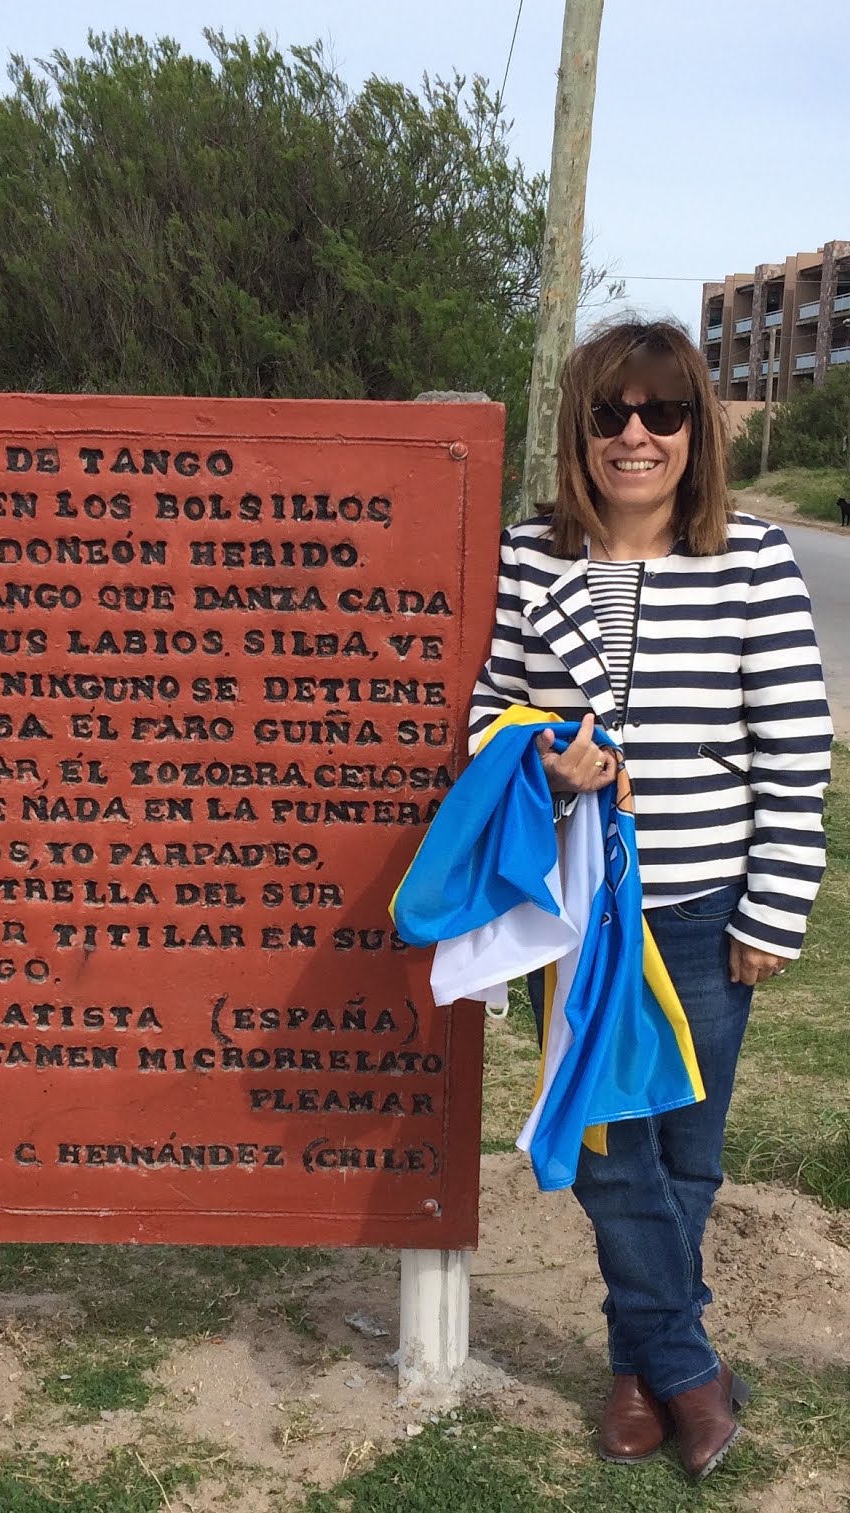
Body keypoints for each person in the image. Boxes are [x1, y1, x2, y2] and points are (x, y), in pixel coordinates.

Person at [468, 318, 833, 1482]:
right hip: (577, 920)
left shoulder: (754, 561)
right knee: (609, 1146)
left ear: (694, 432)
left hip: (701, 908)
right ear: (578, 428)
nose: (635, 434)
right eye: (609, 412)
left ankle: (631, 1366)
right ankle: (685, 1367)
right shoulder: (532, 558)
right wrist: (541, 757)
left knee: (685, 1152)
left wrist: (771, 911)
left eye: (662, 412)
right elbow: (485, 713)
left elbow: (792, 752)